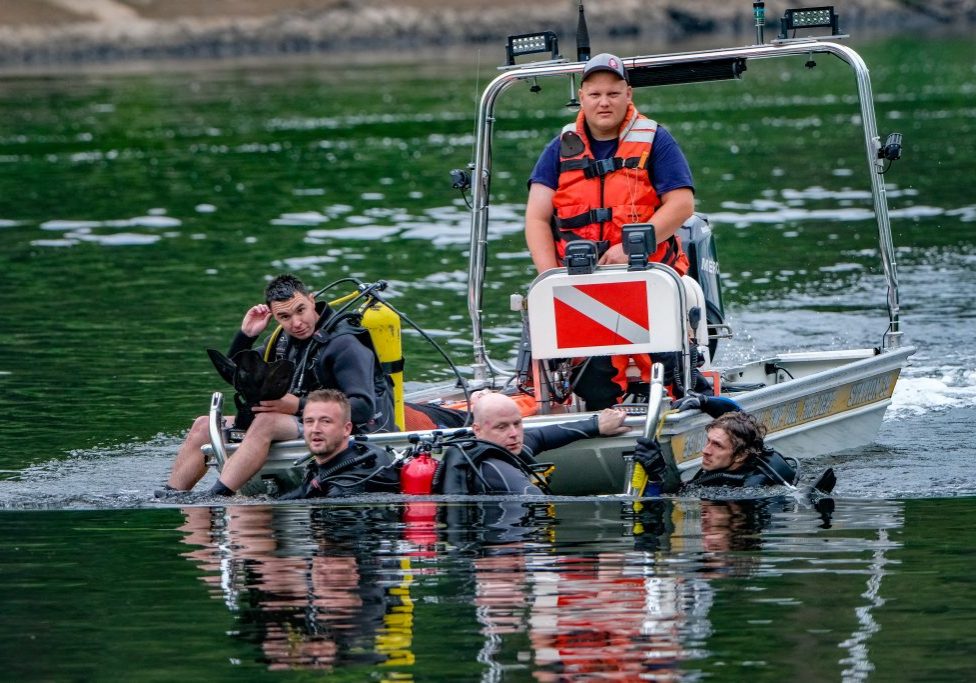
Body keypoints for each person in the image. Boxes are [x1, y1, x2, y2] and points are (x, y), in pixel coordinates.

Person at [523, 52, 697, 409]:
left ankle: (684, 404)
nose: (604, 102)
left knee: (672, 375)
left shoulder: (656, 140)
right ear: (582, 97)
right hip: (583, 284)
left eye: (613, 94)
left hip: (647, 278)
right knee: (592, 385)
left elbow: (681, 205)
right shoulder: (558, 150)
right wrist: (550, 279)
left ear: (628, 96)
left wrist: (629, 247)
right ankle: (595, 420)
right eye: (595, 94)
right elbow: (537, 217)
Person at [165, 274, 395, 495]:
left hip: (350, 431)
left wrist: (297, 405)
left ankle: (216, 497)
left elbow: (363, 407)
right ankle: (171, 495)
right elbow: (242, 380)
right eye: (284, 317)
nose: (296, 323)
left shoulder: (345, 345)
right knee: (204, 424)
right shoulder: (283, 340)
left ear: (311, 300)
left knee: (266, 421)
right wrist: (245, 336)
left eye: (301, 310)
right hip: (296, 422)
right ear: (276, 317)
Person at [436, 391, 630, 495]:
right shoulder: (492, 467)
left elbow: (541, 436)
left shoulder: (508, 447)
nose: (514, 434)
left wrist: (596, 425)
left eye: (517, 424)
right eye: (502, 427)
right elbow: (535, 500)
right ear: (477, 430)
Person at [634, 410, 800, 493]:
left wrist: (657, 476)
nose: (706, 451)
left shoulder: (749, 486)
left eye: (717, 445)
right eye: (708, 441)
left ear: (741, 455)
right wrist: (703, 400)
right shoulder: (730, 464)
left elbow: (676, 499)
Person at [279, 389, 399, 499]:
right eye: (309, 421)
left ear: (346, 429)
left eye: (325, 421)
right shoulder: (326, 464)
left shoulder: (349, 484)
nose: (315, 429)